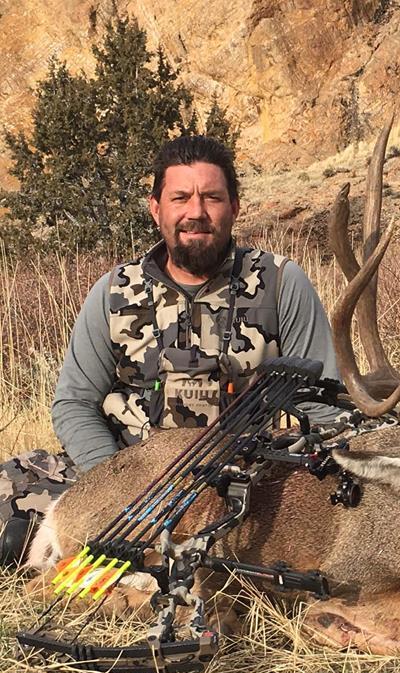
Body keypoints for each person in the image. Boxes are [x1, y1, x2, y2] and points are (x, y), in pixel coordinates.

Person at [0, 135, 339, 566]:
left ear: (235, 207)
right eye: (180, 198)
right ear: (155, 208)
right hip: (121, 472)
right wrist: (117, 484)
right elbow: (74, 404)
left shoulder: (281, 283)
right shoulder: (114, 291)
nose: (196, 212)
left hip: (241, 489)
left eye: (212, 197)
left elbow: (323, 407)